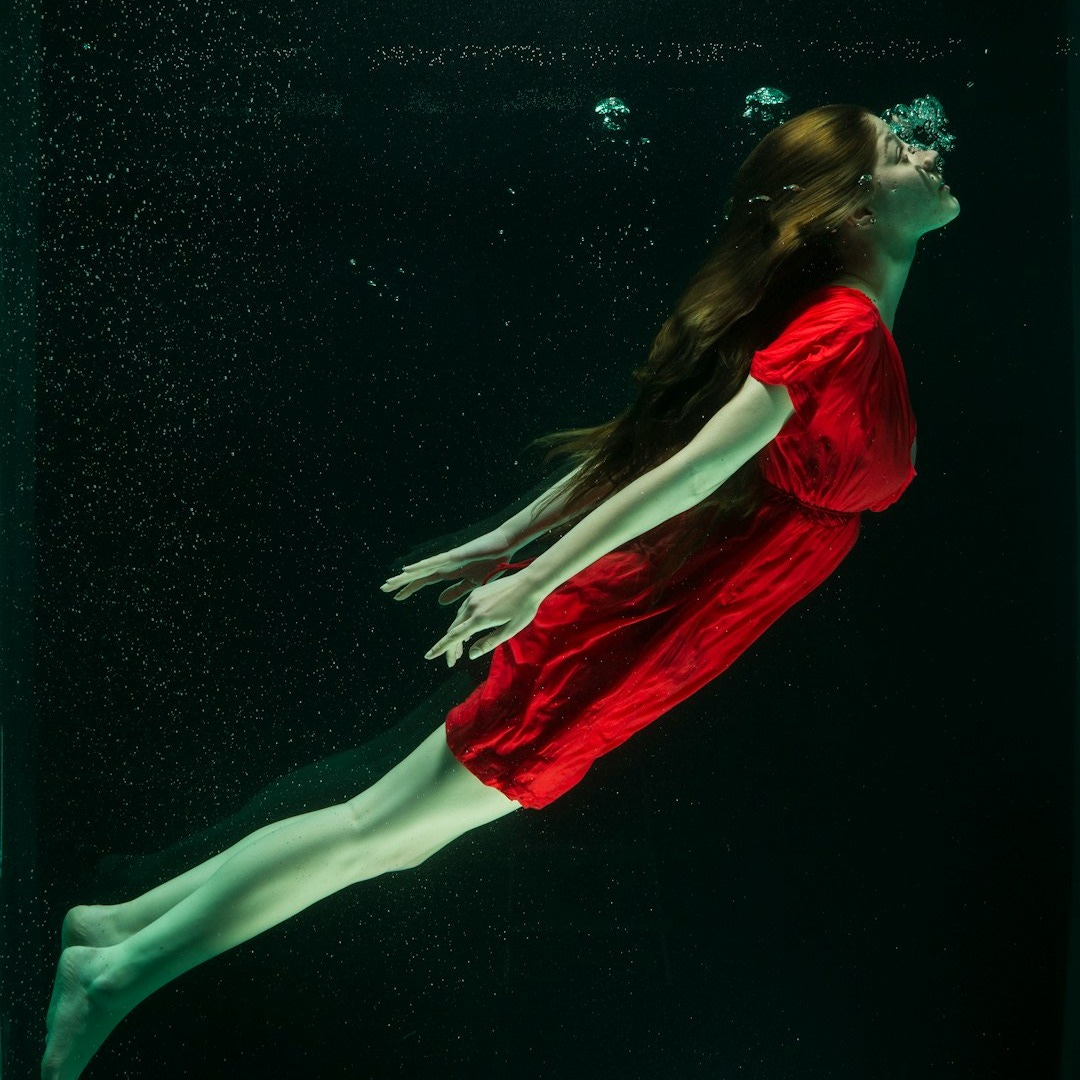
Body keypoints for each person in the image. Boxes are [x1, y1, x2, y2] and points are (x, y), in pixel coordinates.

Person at [42, 103, 958, 1079]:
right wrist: (534, 575)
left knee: (390, 839)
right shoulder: (842, 329)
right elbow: (690, 471)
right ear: (854, 207)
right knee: (370, 831)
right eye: (900, 148)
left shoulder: (845, 321)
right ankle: (111, 976)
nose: (930, 150)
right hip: (637, 627)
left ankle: (118, 928)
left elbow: (661, 446)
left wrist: (511, 542)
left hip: (664, 628)